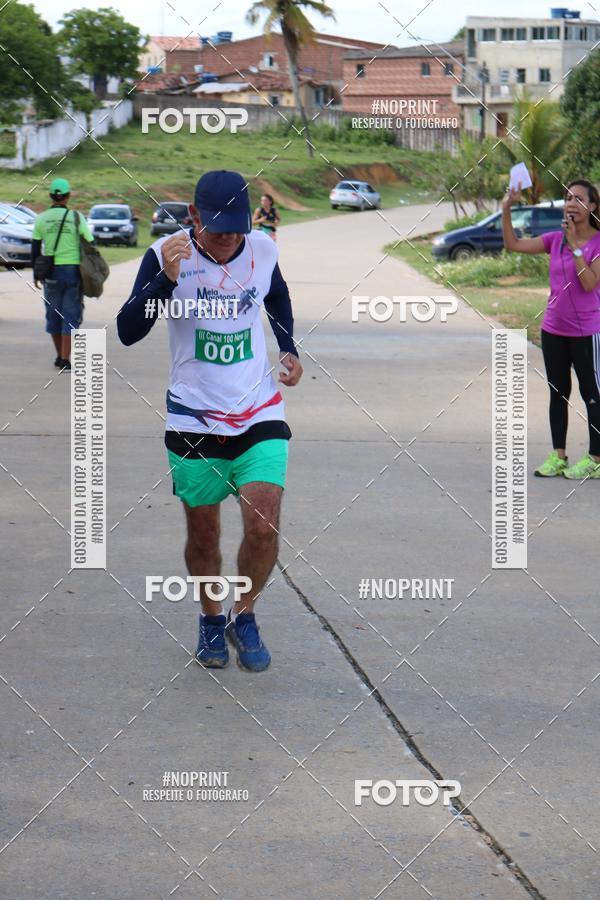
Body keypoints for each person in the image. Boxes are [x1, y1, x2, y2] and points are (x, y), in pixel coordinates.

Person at [117, 170, 302, 672]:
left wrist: (288, 348)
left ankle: (244, 613)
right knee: (204, 535)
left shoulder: (261, 248)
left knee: (263, 525)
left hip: (259, 411)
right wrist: (165, 280)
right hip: (193, 419)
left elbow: (277, 296)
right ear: (194, 217)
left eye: (236, 227)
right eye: (218, 228)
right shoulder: (164, 256)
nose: (228, 238)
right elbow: (128, 331)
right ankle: (209, 617)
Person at [502, 179, 600, 479]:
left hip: (587, 332)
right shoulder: (553, 240)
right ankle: (559, 456)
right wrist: (506, 208)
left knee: (592, 394)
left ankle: (595, 458)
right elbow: (513, 244)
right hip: (554, 329)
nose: (571, 203)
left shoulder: (596, 243)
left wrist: (574, 246)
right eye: (568, 198)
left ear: (593, 206)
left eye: (579, 198)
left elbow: (589, 282)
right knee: (558, 393)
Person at [31, 177, 94, 371]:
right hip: (73, 272)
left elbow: (35, 250)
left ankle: (59, 356)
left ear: (51, 196)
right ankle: (66, 359)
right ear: (67, 196)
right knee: (70, 315)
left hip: (51, 273)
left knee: (53, 314)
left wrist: (36, 274)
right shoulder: (76, 217)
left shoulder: (41, 219)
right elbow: (89, 241)